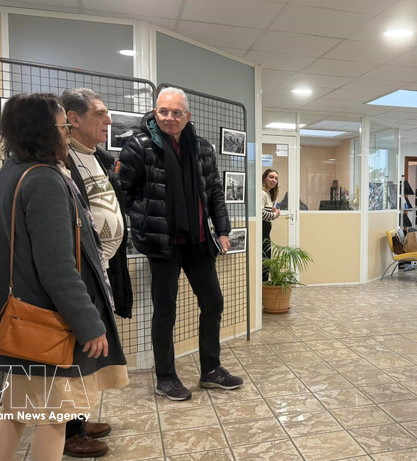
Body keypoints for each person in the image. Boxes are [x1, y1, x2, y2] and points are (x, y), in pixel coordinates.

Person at [0, 93, 128, 461]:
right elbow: (58, 267)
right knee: (54, 419)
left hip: (22, 323)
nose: (67, 133)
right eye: (63, 126)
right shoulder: (45, 180)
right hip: (47, 324)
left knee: (15, 412)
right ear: (44, 130)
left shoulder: (12, 172)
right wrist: (89, 324)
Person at [118, 87, 242, 400]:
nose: (169, 118)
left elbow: (215, 191)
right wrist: (145, 217)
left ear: (187, 116)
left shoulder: (202, 148)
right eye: (163, 111)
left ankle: (211, 370)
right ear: (155, 113)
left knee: (213, 301)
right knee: (165, 310)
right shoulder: (139, 146)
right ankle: (166, 377)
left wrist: (223, 230)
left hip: (198, 240)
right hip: (163, 243)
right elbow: (123, 192)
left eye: (176, 112)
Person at [59, 88, 134, 457]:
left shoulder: (98, 157)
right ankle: (67, 431)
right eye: (100, 113)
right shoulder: (61, 160)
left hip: (103, 270)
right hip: (80, 272)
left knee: (89, 352)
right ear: (73, 119)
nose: (108, 120)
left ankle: (78, 419)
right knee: (76, 349)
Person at [261, 168, 280, 281]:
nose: (274, 180)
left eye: (276, 178)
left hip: (266, 233)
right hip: (262, 232)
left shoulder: (268, 193)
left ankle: (264, 285)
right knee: (264, 261)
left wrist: (272, 212)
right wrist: (275, 215)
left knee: (266, 260)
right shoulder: (262, 193)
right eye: (271, 177)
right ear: (264, 178)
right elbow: (260, 213)